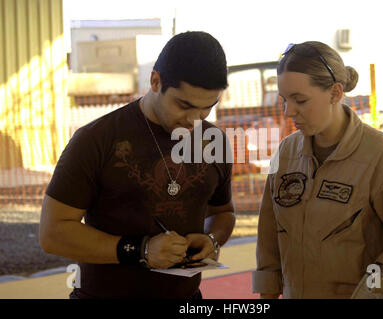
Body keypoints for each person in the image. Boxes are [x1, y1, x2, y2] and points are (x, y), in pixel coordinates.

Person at [39, 31, 236, 299]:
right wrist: (141, 250)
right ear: (155, 81)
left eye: (207, 108)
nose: (194, 119)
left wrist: (211, 239)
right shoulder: (97, 139)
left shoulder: (214, 142)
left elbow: (223, 212)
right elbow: (53, 233)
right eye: (183, 105)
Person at [252, 41, 383, 299]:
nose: (288, 111)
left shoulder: (382, 157)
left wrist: (376, 291)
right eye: (284, 100)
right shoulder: (286, 153)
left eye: (300, 100)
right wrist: (268, 294)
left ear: (335, 93)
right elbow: (269, 236)